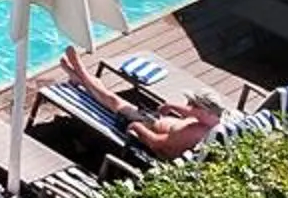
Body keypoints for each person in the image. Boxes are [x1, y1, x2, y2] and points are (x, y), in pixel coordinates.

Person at [54, 48, 226, 158]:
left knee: (112, 100)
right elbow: (192, 114)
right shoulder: (214, 122)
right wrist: (172, 107)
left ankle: (80, 72)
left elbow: (157, 143)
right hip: (153, 120)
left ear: (205, 111)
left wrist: (137, 127)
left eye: (193, 104)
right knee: (112, 97)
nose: (189, 106)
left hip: (144, 133)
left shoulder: (193, 135)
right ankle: (77, 77)